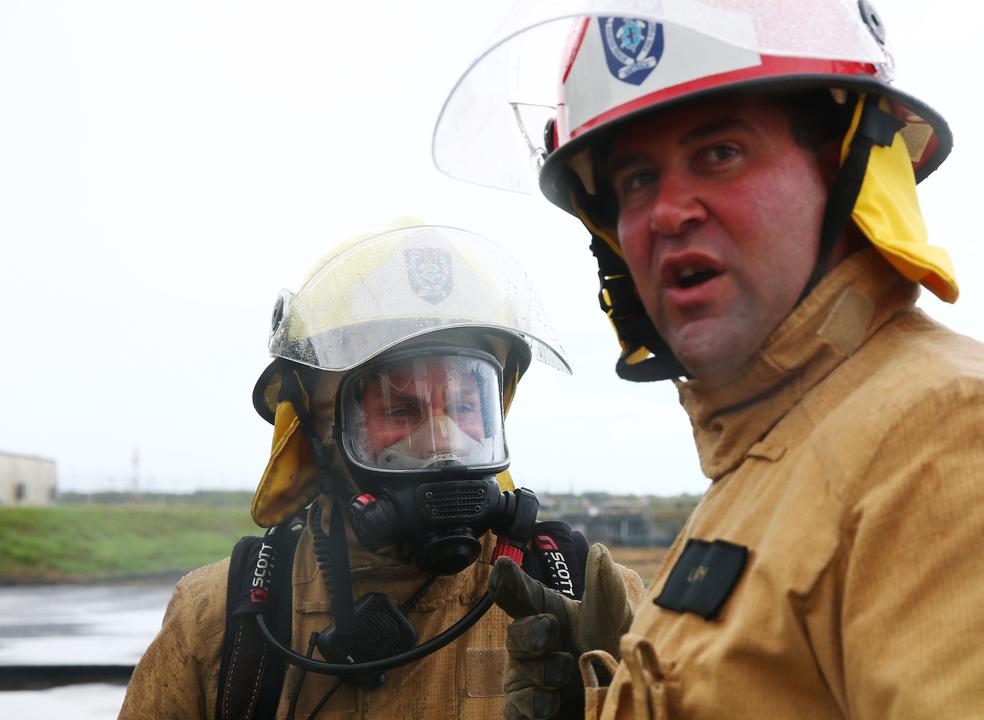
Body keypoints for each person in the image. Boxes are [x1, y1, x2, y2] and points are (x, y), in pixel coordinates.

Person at [433, 2, 984, 718]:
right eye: (637, 180)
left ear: (844, 170)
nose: (667, 211)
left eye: (720, 153)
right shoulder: (772, 457)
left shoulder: (964, 451)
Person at [119, 223, 643, 719]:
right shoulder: (222, 618)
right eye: (400, 409)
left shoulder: (586, 595)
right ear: (319, 428)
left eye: (464, 407)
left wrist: (616, 698)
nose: (444, 444)